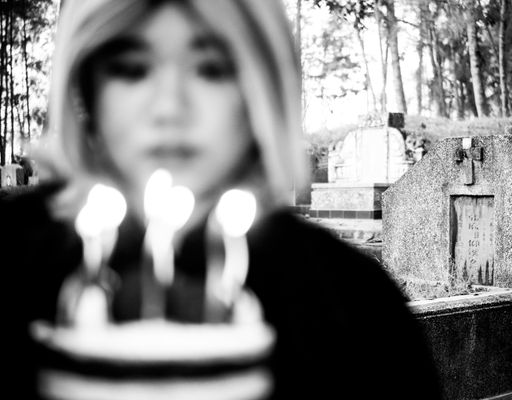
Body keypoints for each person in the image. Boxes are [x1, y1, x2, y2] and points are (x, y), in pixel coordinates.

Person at [0, 0, 443, 399]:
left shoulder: (351, 304)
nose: (169, 108)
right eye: (132, 69)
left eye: (211, 68)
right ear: (85, 85)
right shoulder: (11, 257)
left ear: (259, 87)